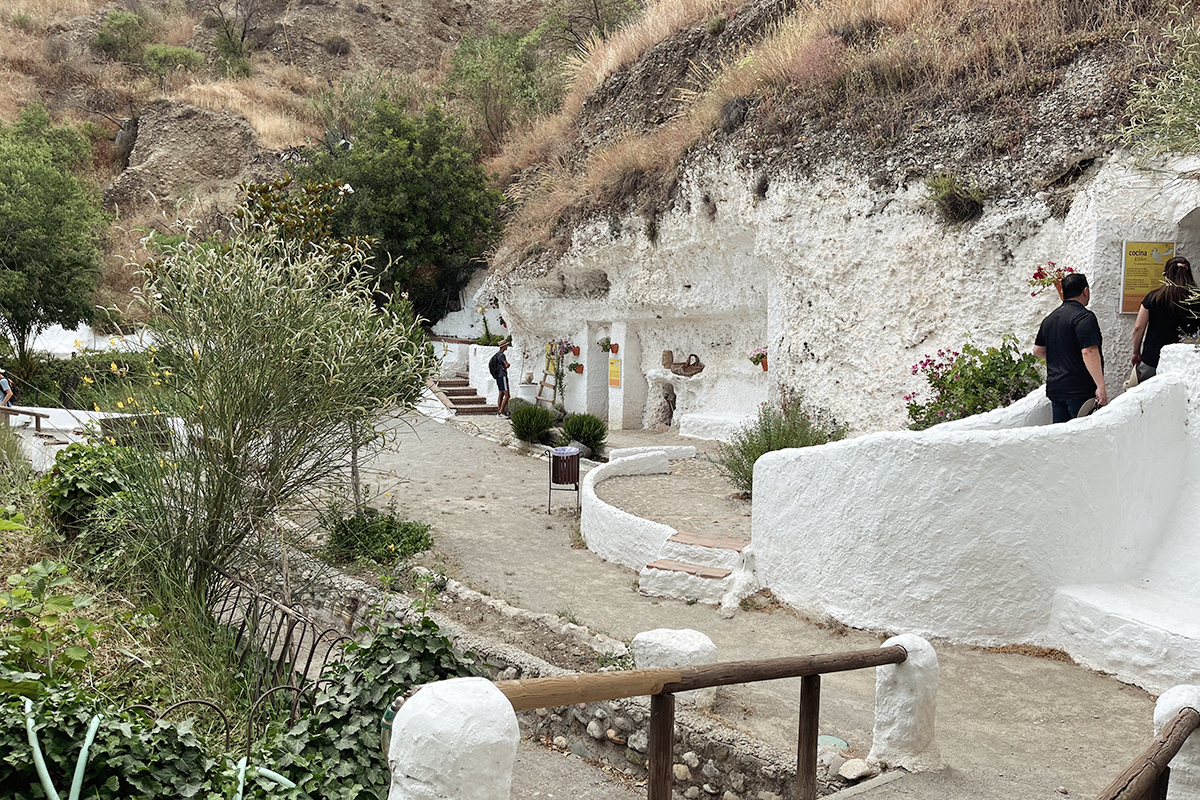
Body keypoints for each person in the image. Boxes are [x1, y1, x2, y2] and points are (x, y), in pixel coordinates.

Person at [1033, 272, 1107, 423]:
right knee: (1083, 435)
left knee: (1060, 436)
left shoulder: (1049, 319)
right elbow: (1089, 351)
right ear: (1085, 291)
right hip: (1079, 389)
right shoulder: (1084, 317)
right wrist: (1100, 386)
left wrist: (1060, 358)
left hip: (1056, 389)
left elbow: (1038, 351)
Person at [1131, 255, 1197, 381]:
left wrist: (1136, 352)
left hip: (1153, 358)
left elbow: (1138, 328)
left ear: (1166, 274)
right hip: (1185, 360)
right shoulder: (1196, 299)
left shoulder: (1153, 297)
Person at [488, 341, 510, 417]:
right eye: (506, 345)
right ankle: (501, 412)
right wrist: (507, 365)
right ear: (503, 346)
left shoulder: (497, 355)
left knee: (501, 394)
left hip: (498, 377)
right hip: (503, 376)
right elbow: (506, 364)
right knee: (507, 395)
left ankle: (498, 411)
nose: (507, 346)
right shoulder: (502, 355)